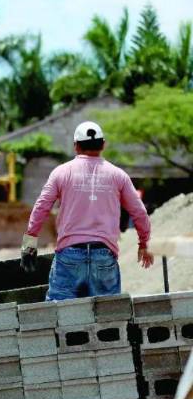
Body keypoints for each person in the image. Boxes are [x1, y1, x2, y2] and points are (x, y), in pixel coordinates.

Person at [21, 121, 154, 300]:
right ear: (103, 144)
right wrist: (143, 244)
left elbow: (41, 207)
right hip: (104, 256)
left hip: (69, 256)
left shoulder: (61, 173)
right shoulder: (118, 175)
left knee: (60, 316)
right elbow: (139, 212)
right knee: (107, 320)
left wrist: (29, 245)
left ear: (76, 146)